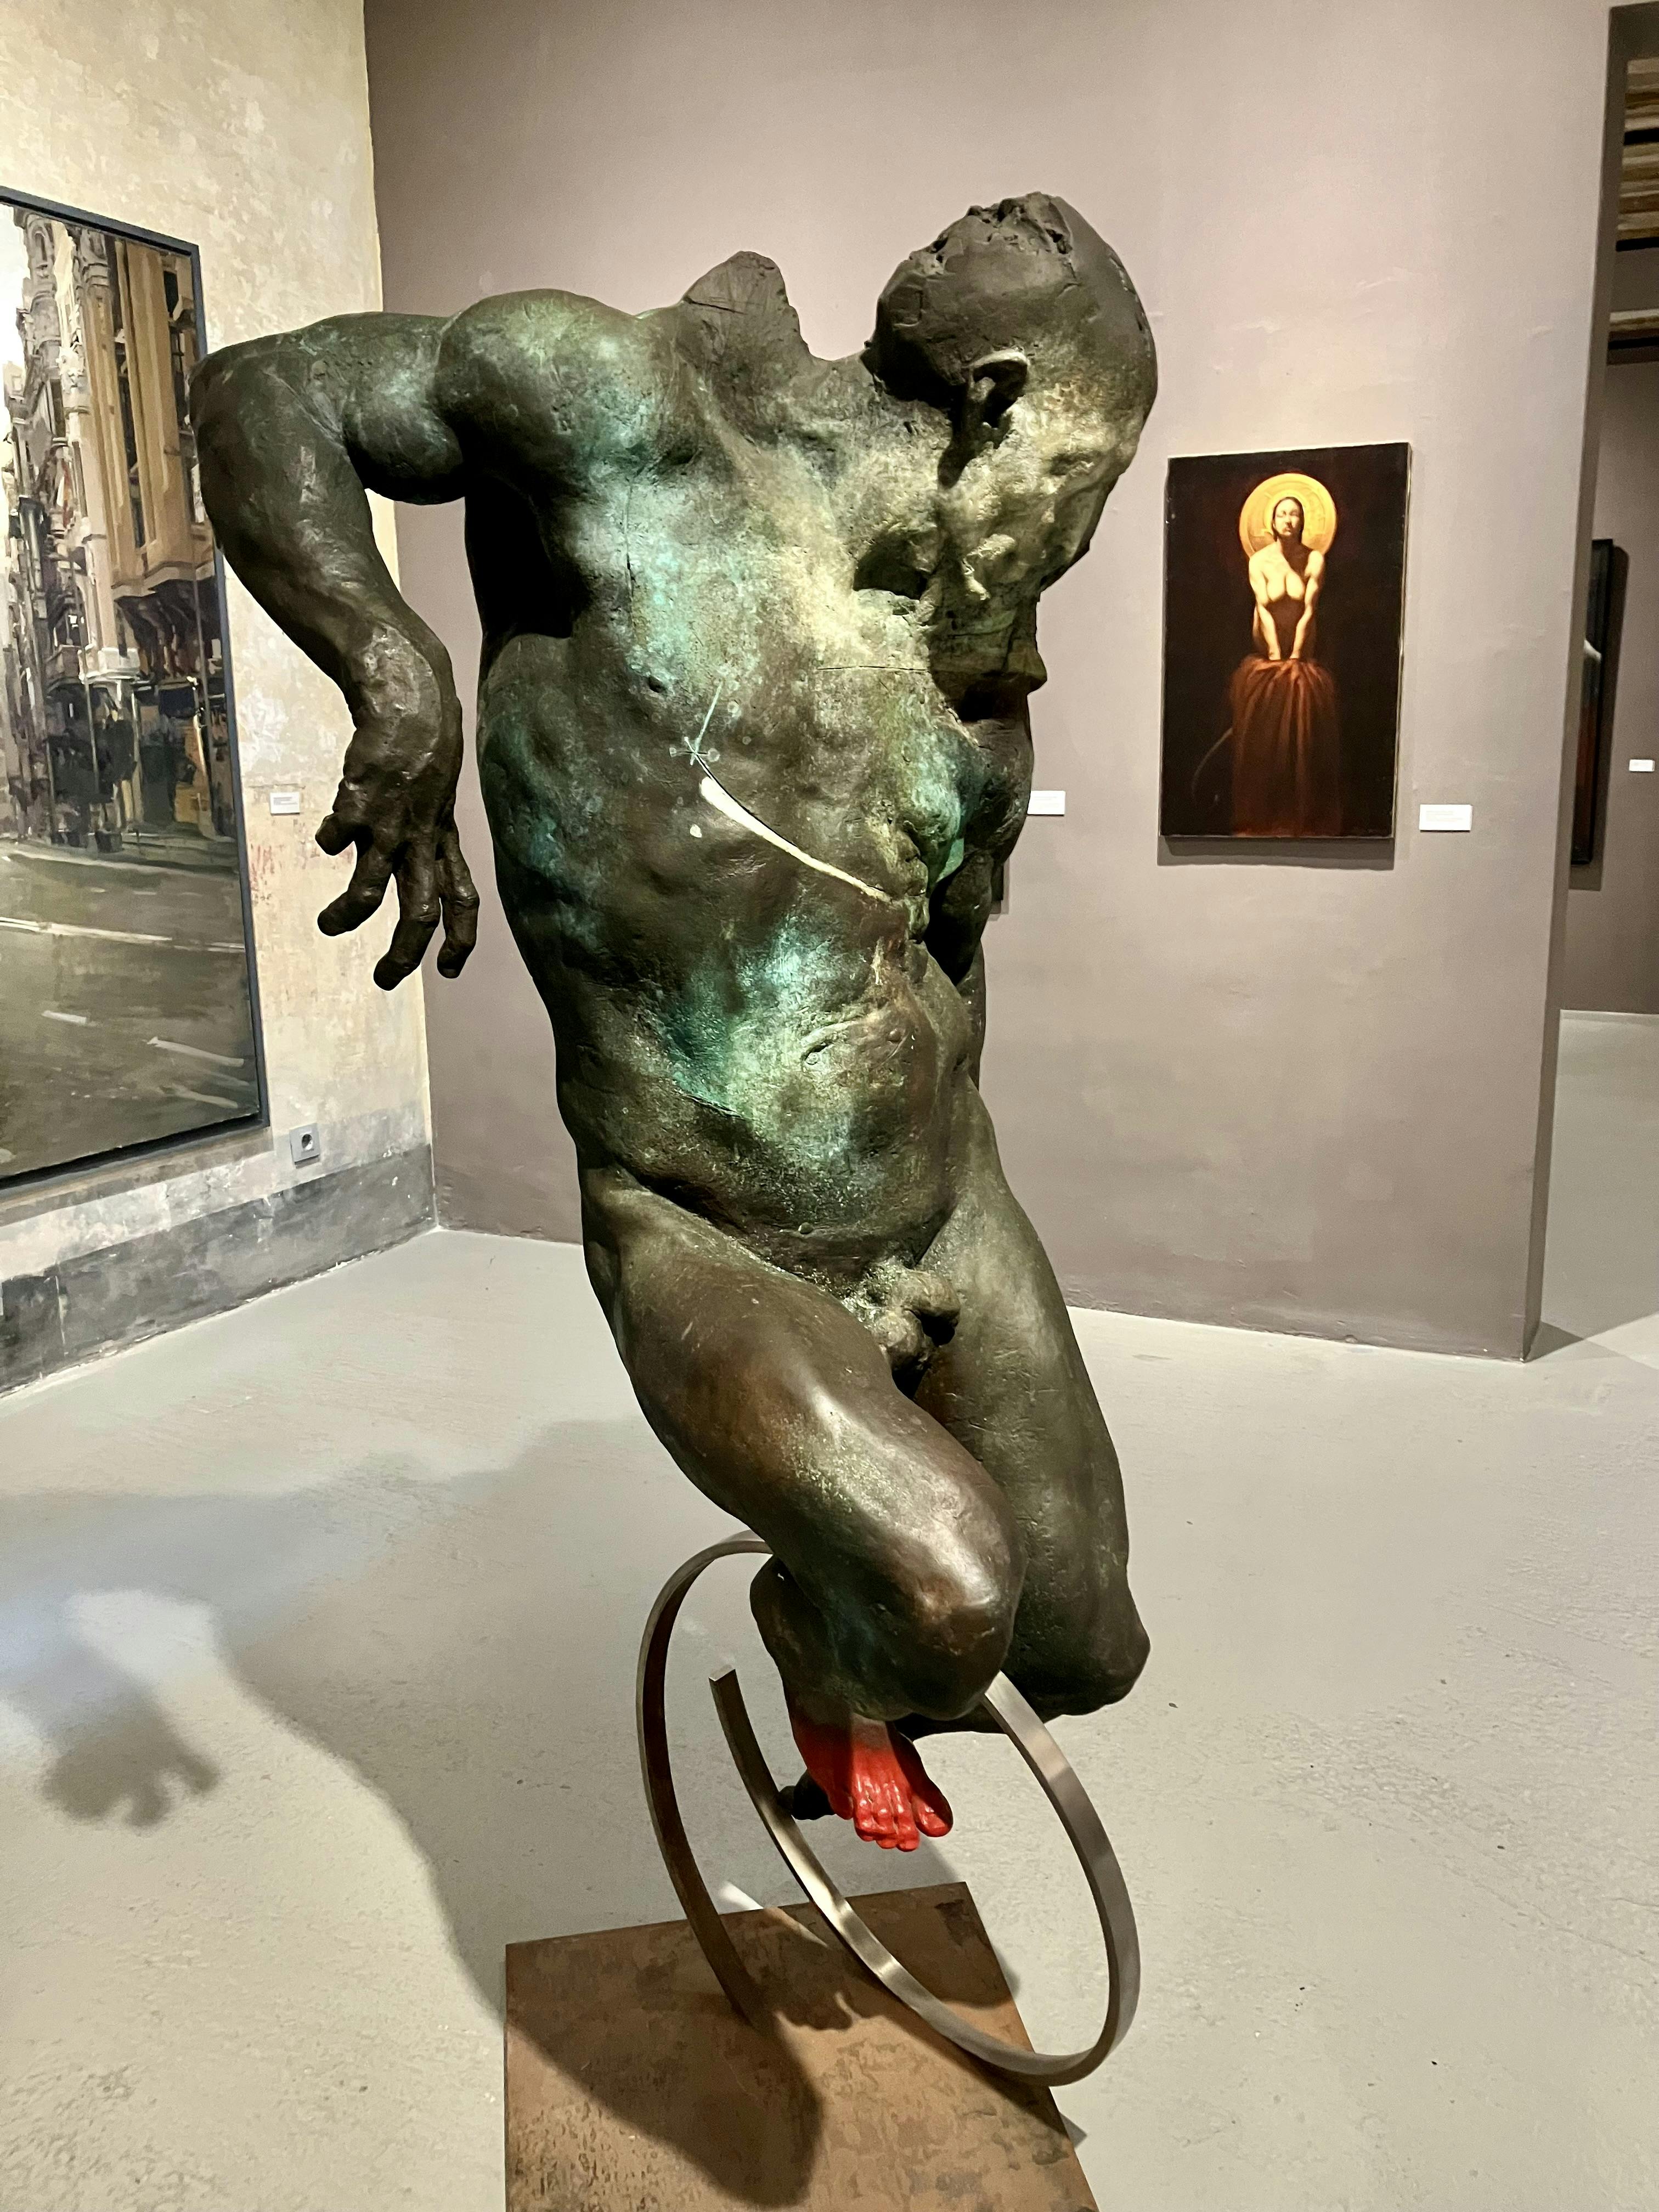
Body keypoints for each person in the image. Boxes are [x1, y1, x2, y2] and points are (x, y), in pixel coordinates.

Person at [190, 195, 1155, 1853]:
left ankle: (866, 1611)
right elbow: (266, 390)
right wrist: (394, 672)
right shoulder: (623, 415)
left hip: (946, 1203)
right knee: (942, 1596)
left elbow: (946, 963)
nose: (1023, 213)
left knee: (1081, 1646)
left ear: (1003, 401)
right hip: (705, 1224)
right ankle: (813, 1634)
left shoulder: (967, 666)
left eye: (1060, 254)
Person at [1227, 489, 1342, 836]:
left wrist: (1295, 657)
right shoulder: (1259, 562)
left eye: (1295, 515)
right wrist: (1276, 656)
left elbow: (1309, 610)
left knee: (1303, 719)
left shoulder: (1314, 561)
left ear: (1304, 522)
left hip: (1300, 649)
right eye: (1282, 514)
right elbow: (1263, 609)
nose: (1289, 521)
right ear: (1272, 522)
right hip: (1268, 649)